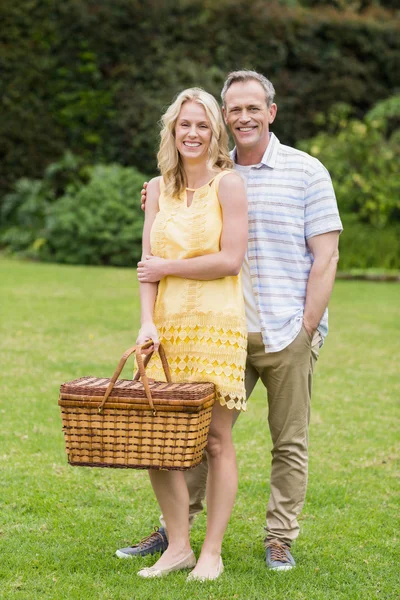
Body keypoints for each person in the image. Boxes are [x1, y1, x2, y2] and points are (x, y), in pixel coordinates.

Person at [117, 70, 342, 571]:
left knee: (288, 441)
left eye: (252, 108)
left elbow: (326, 257)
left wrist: (306, 326)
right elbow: (181, 201)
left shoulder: (307, 172)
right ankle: (175, 533)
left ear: (271, 113)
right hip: (223, 332)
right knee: (196, 437)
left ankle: (279, 537)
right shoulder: (216, 171)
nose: (244, 117)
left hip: (286, 329)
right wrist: (158, 196)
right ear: (225, 118)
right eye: (234, 109)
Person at [127, 87, 248, 580]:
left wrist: (169, 266)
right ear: (172, 132)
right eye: (185, 125)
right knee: (159, 440)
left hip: (217, 326)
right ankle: (177, 546)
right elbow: (145, 269)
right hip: (167, 328)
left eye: (202, 125)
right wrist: (146, 321)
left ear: (214, 132)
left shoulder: (229, 186)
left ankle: (211, 553)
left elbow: (229, 260)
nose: (193, 133)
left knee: (216, 441)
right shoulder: (156, 189)